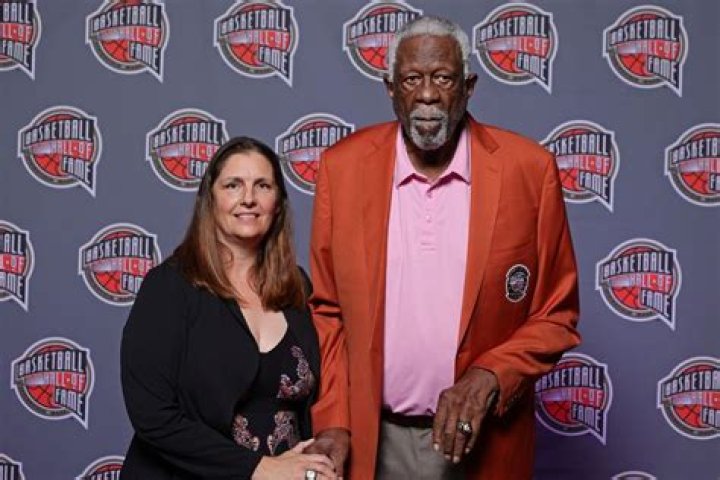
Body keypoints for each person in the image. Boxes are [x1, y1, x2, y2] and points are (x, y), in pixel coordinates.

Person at [305, 16, 581, 480]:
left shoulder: (529, 171)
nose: (428, 94)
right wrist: (334, 420)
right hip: (376, 441)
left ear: (468, 87)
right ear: (390, 88)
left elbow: (557, 315)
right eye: (412, 79)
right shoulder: (343, 168)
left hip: (484, 443)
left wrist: (490, 375)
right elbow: (327, 311)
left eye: (444, 79)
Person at [120, 137, 337, 479]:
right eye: (233, 185)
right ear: (211, 199)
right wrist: (260, 468)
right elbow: (152, 414)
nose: (248, 198)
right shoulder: (170, 286)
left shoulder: (297, 286)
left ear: (278, 203)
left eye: (262, 185)